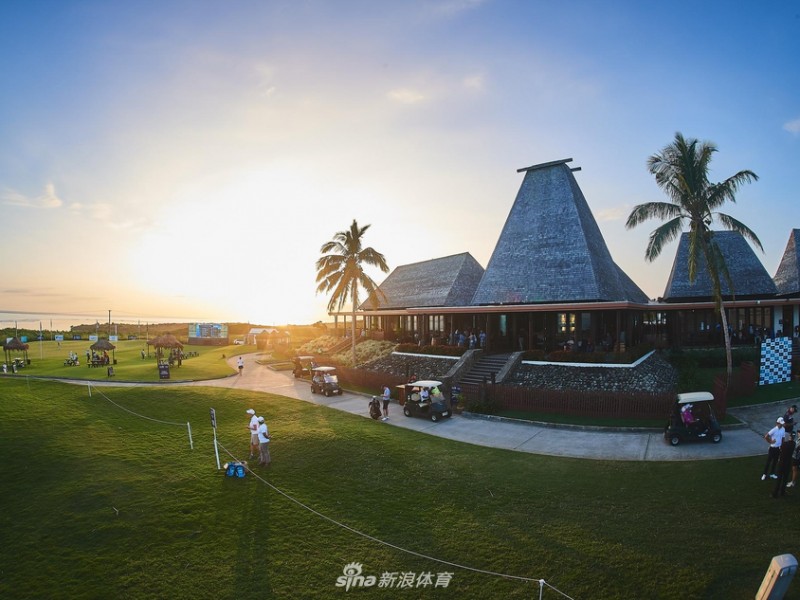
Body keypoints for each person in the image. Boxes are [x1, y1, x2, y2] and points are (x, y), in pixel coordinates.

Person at [772, 433, 796, 498]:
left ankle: (775, 493)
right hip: (788, 464)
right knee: (785, 479)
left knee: (779, 479)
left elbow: (780, 448)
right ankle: (782, 492)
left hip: (781, 464)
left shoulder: (784, 444)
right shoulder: (793, 444)